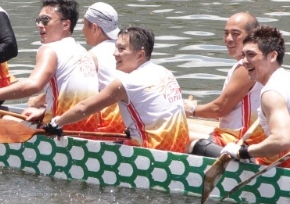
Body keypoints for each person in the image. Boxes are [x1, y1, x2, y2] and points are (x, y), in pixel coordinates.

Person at [0, 0, 101, 131]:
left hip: (60, 130)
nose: (40, 25)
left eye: (45, 20)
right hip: (89, 128)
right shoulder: (82, 51)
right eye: (39, 20)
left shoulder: (50, 50)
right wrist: (43, 111)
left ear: (66, 24)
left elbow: (33, 85)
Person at [43, 26, 189, 152]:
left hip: (150, 152)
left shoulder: (126, 83)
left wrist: (56, 123)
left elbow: (83, 108)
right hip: (178, 149)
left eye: (121, 49)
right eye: (116, 48)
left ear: (140, 55)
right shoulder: (165, 72)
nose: (114, 54)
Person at [221, 26, 290, 171]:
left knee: (200, 145)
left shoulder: (271, 92)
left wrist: (242, 152)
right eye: (243, 55)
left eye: (251, 55)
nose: (244, 61)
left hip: (278, 172)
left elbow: (282, 140)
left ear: (272, 56)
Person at [185, 12, 263, 157]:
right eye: (226, 33)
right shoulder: (257, 62)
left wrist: (190, 109)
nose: (228, 39)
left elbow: (219, 109)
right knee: (184, 126)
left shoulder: (246, 67)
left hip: (241, 140)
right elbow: (226, 110)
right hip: (242, 132)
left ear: (252, 36)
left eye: (235, 34)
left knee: (177, 135)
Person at [81, 2, 125, 133]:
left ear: (95, 28)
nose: (82, 30)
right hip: (131, 117)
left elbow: (79, 96)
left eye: (84, 25)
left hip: (109, 125)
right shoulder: (128, 51)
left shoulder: (91, 56)